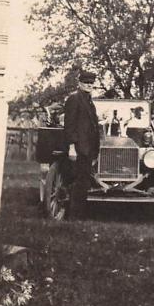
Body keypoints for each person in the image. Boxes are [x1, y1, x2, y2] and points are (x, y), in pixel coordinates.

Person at [64, 70, 100, 219]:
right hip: (79, 148)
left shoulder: (90, 101)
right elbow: (70, 125)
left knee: (84, 182)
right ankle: (73, 216)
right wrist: (72, 147)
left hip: (88, 149)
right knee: (79, 183)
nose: (89, 85)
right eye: (86, 83)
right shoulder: (74, 99)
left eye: (91, 83)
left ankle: (79, 214)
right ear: (79, 83)